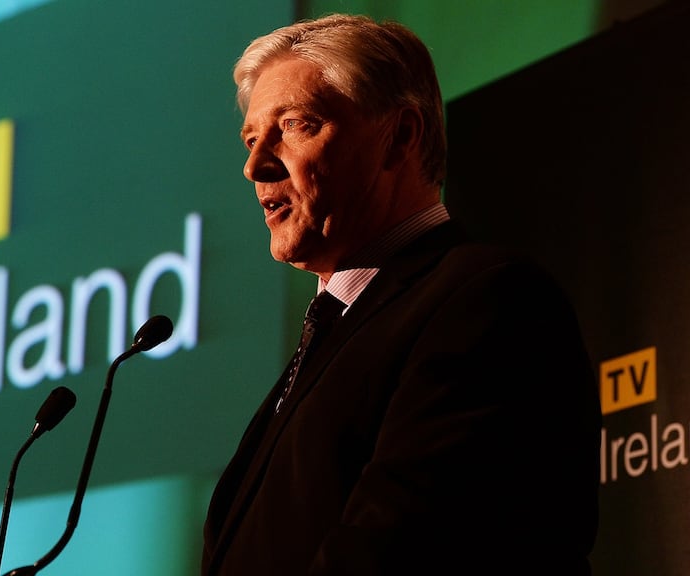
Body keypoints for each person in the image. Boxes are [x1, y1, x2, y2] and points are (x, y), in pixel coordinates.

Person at [202, 14, 601, 575]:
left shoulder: (487, 300)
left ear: (401, 136)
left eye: (294, 125)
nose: (254, 166)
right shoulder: (330, 333)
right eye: (251, 138)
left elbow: (405, 546)